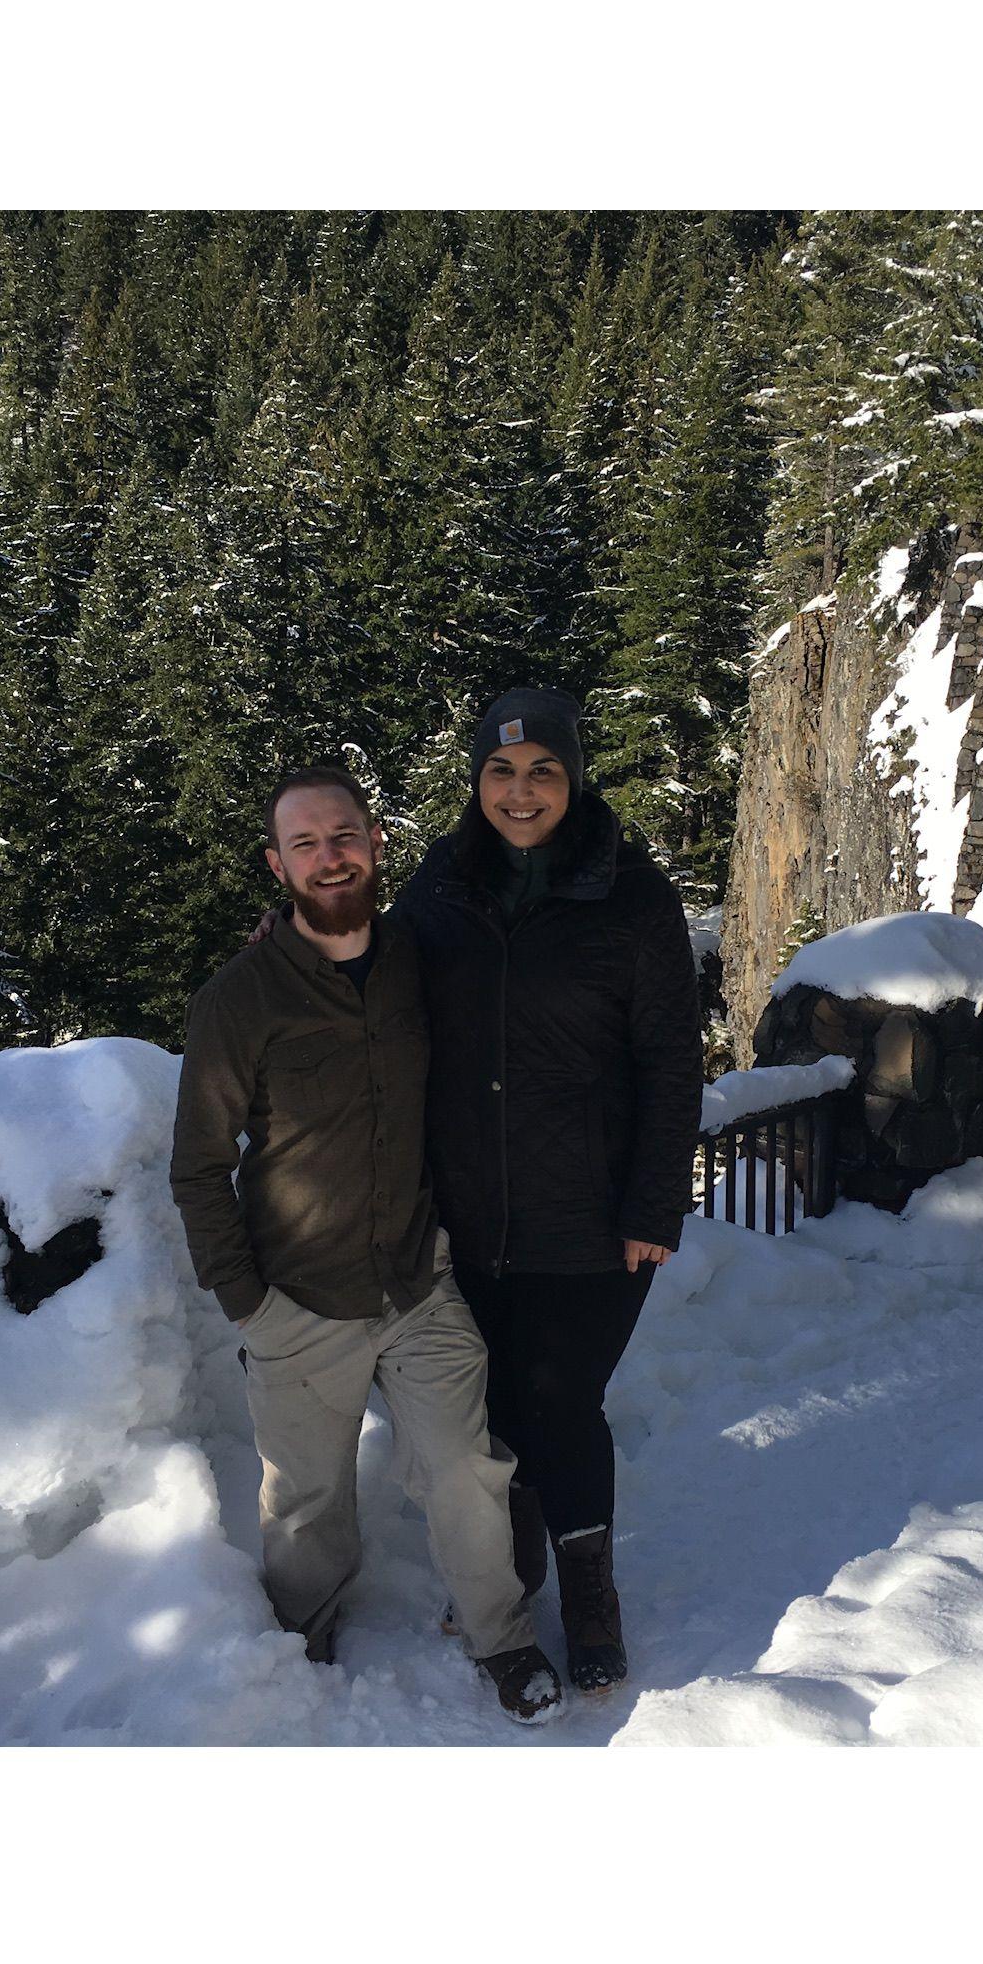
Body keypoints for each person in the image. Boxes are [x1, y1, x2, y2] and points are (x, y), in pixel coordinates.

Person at [169, 766, 564, 1725]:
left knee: (467, 1470)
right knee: (306, 1502)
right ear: (276, 864)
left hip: (416, 1279)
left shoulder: (413, 960)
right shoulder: (239, 1000)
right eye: (304, 843)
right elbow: (197, 1165)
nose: (328, 856)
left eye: (342, 834)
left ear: (375, 839)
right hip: (297, 1298)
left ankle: (500, 1636)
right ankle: (299, 1643)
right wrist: (247, 1304)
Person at [393, 690, 703, 1693]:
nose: (520, 792)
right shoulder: (438, 889)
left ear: (574, 781)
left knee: (562, 1400)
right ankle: (511, 1572)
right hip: (471, 1208)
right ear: (475, 780)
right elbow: (377, 994)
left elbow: (669, 1065)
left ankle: (591, 1594)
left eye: (543, 774)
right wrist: (292, 951)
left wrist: (654, 1207)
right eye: (500, 771)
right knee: (493, 1406)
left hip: (592, 1214)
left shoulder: (634, 899)